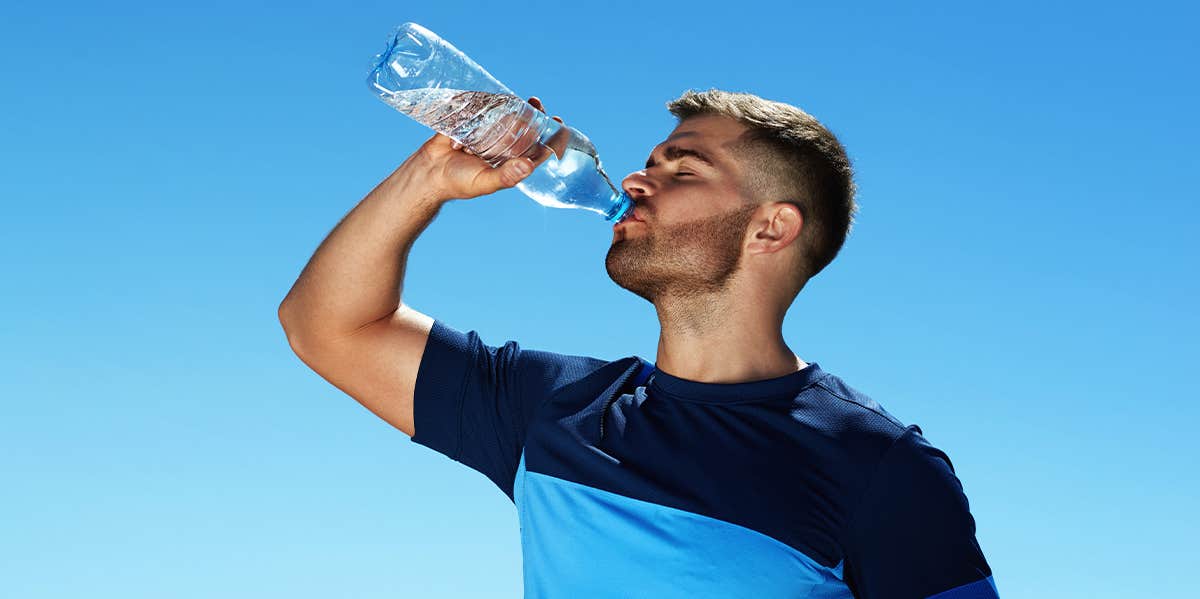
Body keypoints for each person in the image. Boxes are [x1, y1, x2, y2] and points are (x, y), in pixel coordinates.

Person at [278, 89, 999, 598]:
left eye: (682, 169)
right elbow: (327, 325)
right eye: (650, 162)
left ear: (770, 228)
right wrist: (428, 179)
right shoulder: (553, 406)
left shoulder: (881, 465)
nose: (633, 179)